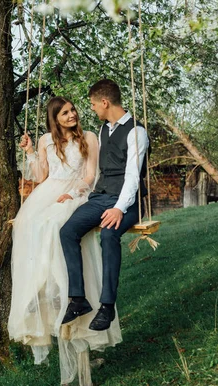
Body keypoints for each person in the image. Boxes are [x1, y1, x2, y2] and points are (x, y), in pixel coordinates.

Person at [8, 97, 121, 386]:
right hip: (47, 192)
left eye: (72, 110)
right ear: (55, 119)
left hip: (76, 195)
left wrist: (73, 194)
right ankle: (41, 291)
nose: (72, 115)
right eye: (65, 113)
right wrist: (31, 152)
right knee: (31, 225)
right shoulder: (47, 139)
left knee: (57, 224)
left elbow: (90, 175)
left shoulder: (89, 137)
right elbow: (42, 176)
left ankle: (72, 297)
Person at [60, 79, 150, 331]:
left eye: (92, 105)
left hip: (127, 200)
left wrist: (119, 208)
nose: (92, 109)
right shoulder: (103, 130)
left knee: (109, 234)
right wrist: (81, 194)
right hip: (101, 197)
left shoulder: (136, 132)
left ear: (104, 102)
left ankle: (107, 306)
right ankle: (78, 299)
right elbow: (100, 171)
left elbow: (133, 176)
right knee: (67, 231)